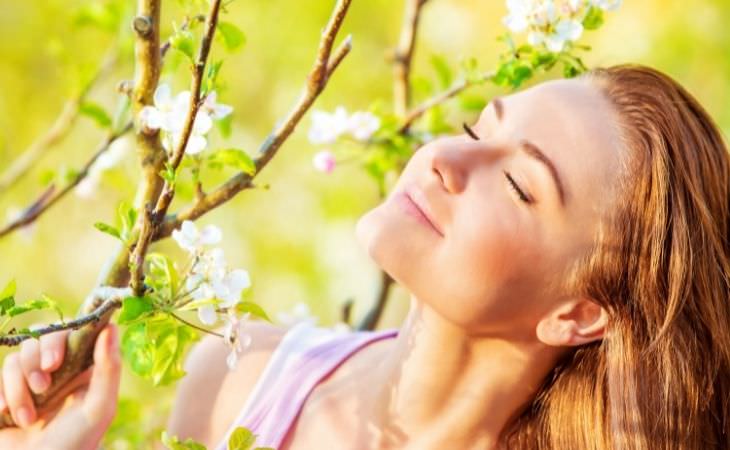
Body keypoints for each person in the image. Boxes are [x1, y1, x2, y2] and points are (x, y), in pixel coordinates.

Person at [0, 64, 728, 450]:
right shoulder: (236, 377)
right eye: (478, 123)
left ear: (577, 313)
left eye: (515, 182)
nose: (445, 154)